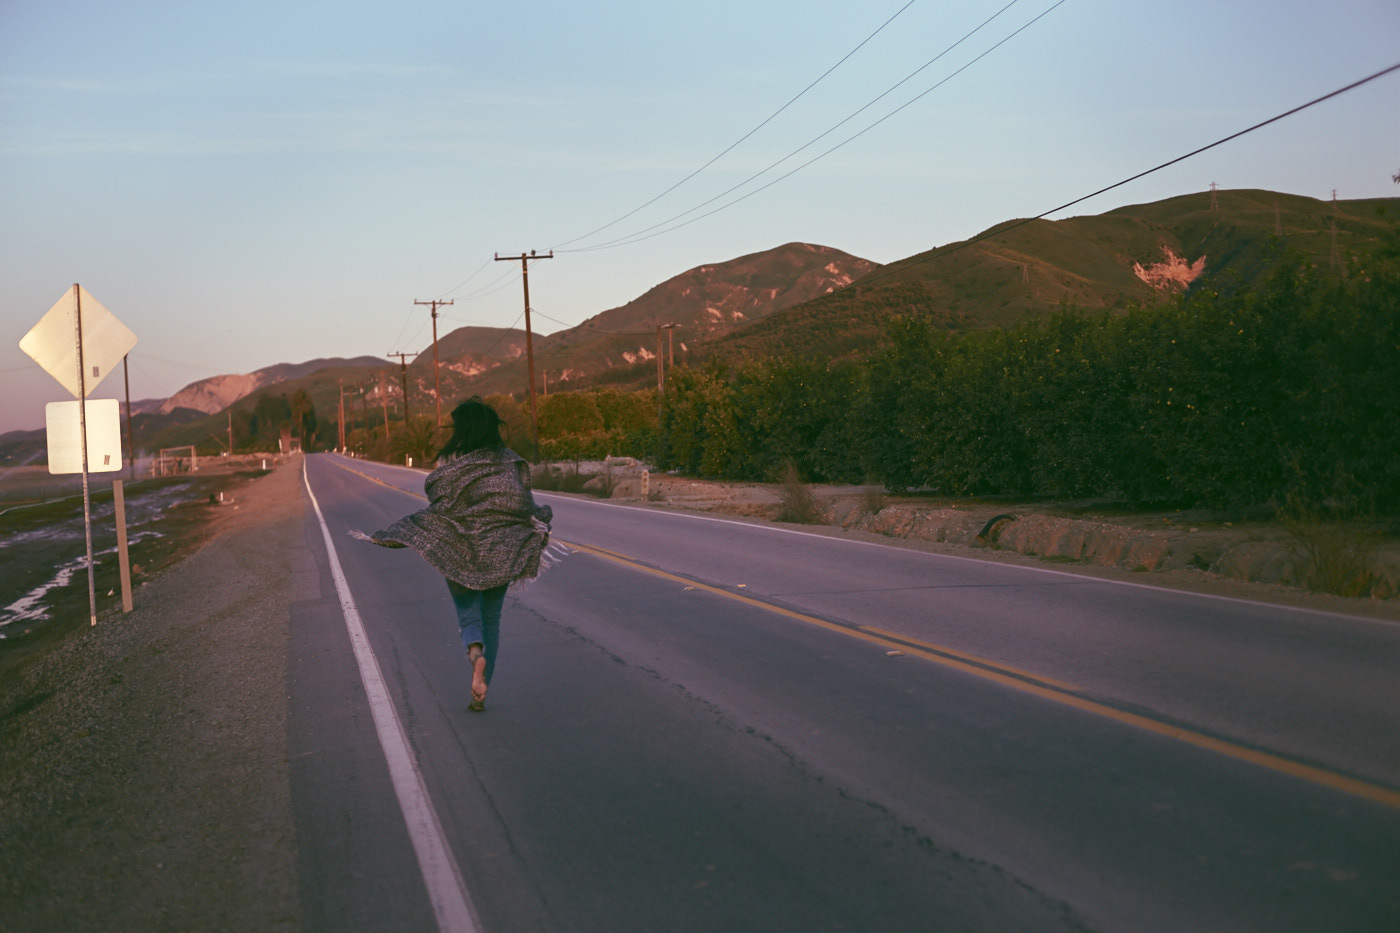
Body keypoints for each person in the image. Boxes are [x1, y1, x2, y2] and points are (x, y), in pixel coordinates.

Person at [367, 397, 552, 712]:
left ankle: (475, 656)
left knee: (469, 616)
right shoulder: (510, 461)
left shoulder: (449, 459)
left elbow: (440, 503)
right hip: (501, 552)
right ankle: (481, 690)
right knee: (492, 618)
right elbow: (523, 504)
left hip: (458, 551)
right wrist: (541, 517)